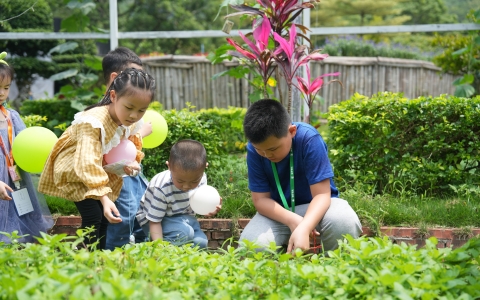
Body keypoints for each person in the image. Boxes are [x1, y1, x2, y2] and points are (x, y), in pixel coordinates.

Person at [38, 68, 156, 250]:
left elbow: (118, 149)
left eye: (142, 110)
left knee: (103, 217)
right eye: (129, 108)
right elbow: (86, 162)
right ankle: (84, 257)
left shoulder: (127, 121)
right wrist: (104, 197)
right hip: (75, 169)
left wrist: (125, 165)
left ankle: (96, 257)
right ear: (114, 96)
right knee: (94, 216)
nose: (134, 115)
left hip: (96, 170)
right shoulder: (93, 122)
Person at [239, 99, 362, 253]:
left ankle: (334, 271)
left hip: (319, 209)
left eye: (273, 149)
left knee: (344, 221)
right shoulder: (254, 149)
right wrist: (293, 220)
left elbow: (322, 195)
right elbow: (261, 200)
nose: (266, 155)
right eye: (260, 150)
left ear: (292, 132)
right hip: (278, 214)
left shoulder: (309, 139)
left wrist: (304, 226)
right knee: (250, 245)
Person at [101, 47, 152, 250]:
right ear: (115, 78)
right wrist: (141, 134)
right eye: (134, 75)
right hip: (116, 176)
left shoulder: (127, 105)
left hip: (131, 170)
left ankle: (138, 254)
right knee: (125, 216)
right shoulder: (101, 113)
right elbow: (110, 145)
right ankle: (113, 257)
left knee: (142, 213)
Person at [0, 55, 53, 244]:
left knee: (18, 208)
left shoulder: (11, 116)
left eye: (6, 88)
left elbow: (24, 142)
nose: (2, 93)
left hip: (14, 174)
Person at [136, 139, 221, 249]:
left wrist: (207, 210)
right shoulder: (161, 187)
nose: (186, 186)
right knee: (184, 234)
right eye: (180, 181)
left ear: (205, 167)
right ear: (169, 166)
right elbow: (154, 221)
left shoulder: (201, 178)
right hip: (155, 220)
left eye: (193, 182)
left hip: (183, 217)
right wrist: (158, 248)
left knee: (201, 242)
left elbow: (196, 204)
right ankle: (161, 253)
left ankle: (185, 262)